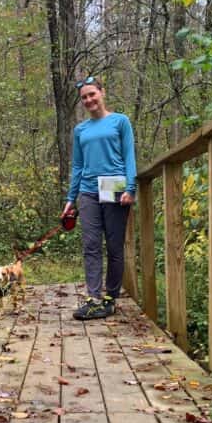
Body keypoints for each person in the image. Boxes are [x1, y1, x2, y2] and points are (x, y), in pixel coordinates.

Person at [62, 76, 136, 320]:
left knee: (114, 246)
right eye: (84, 97)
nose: (89, 100)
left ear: (102, 93)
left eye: (92, 94)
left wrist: (131, 187)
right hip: (88, 191)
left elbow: (129, 156)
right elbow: (78, 166)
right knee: (91, 246)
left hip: (114, 186)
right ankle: (93, 298)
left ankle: (110, 298)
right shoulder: (80, 130)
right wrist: (71, 199)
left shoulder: (120, 121)